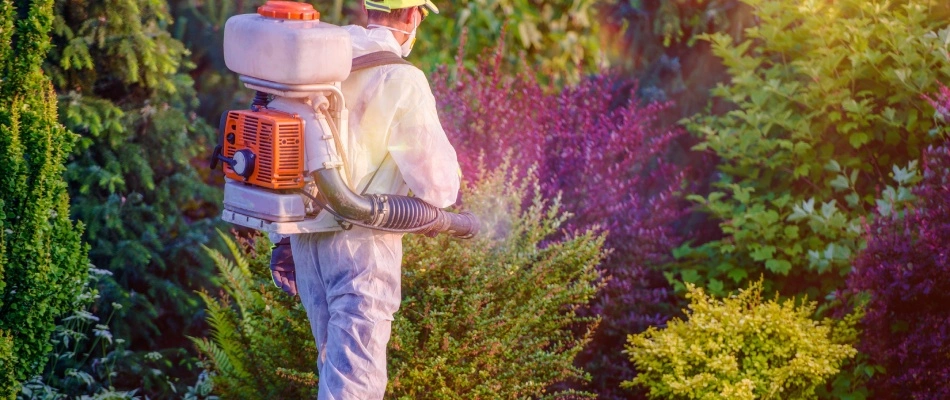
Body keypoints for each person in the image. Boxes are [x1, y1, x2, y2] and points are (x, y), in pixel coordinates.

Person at [270, 1, 461, 398]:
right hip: (362, 248)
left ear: (366, 8)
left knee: (333, 369)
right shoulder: (401, 77)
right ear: (413, 16)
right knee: (355, 385)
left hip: (304, 240)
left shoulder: (322, 60)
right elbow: (439, 187)